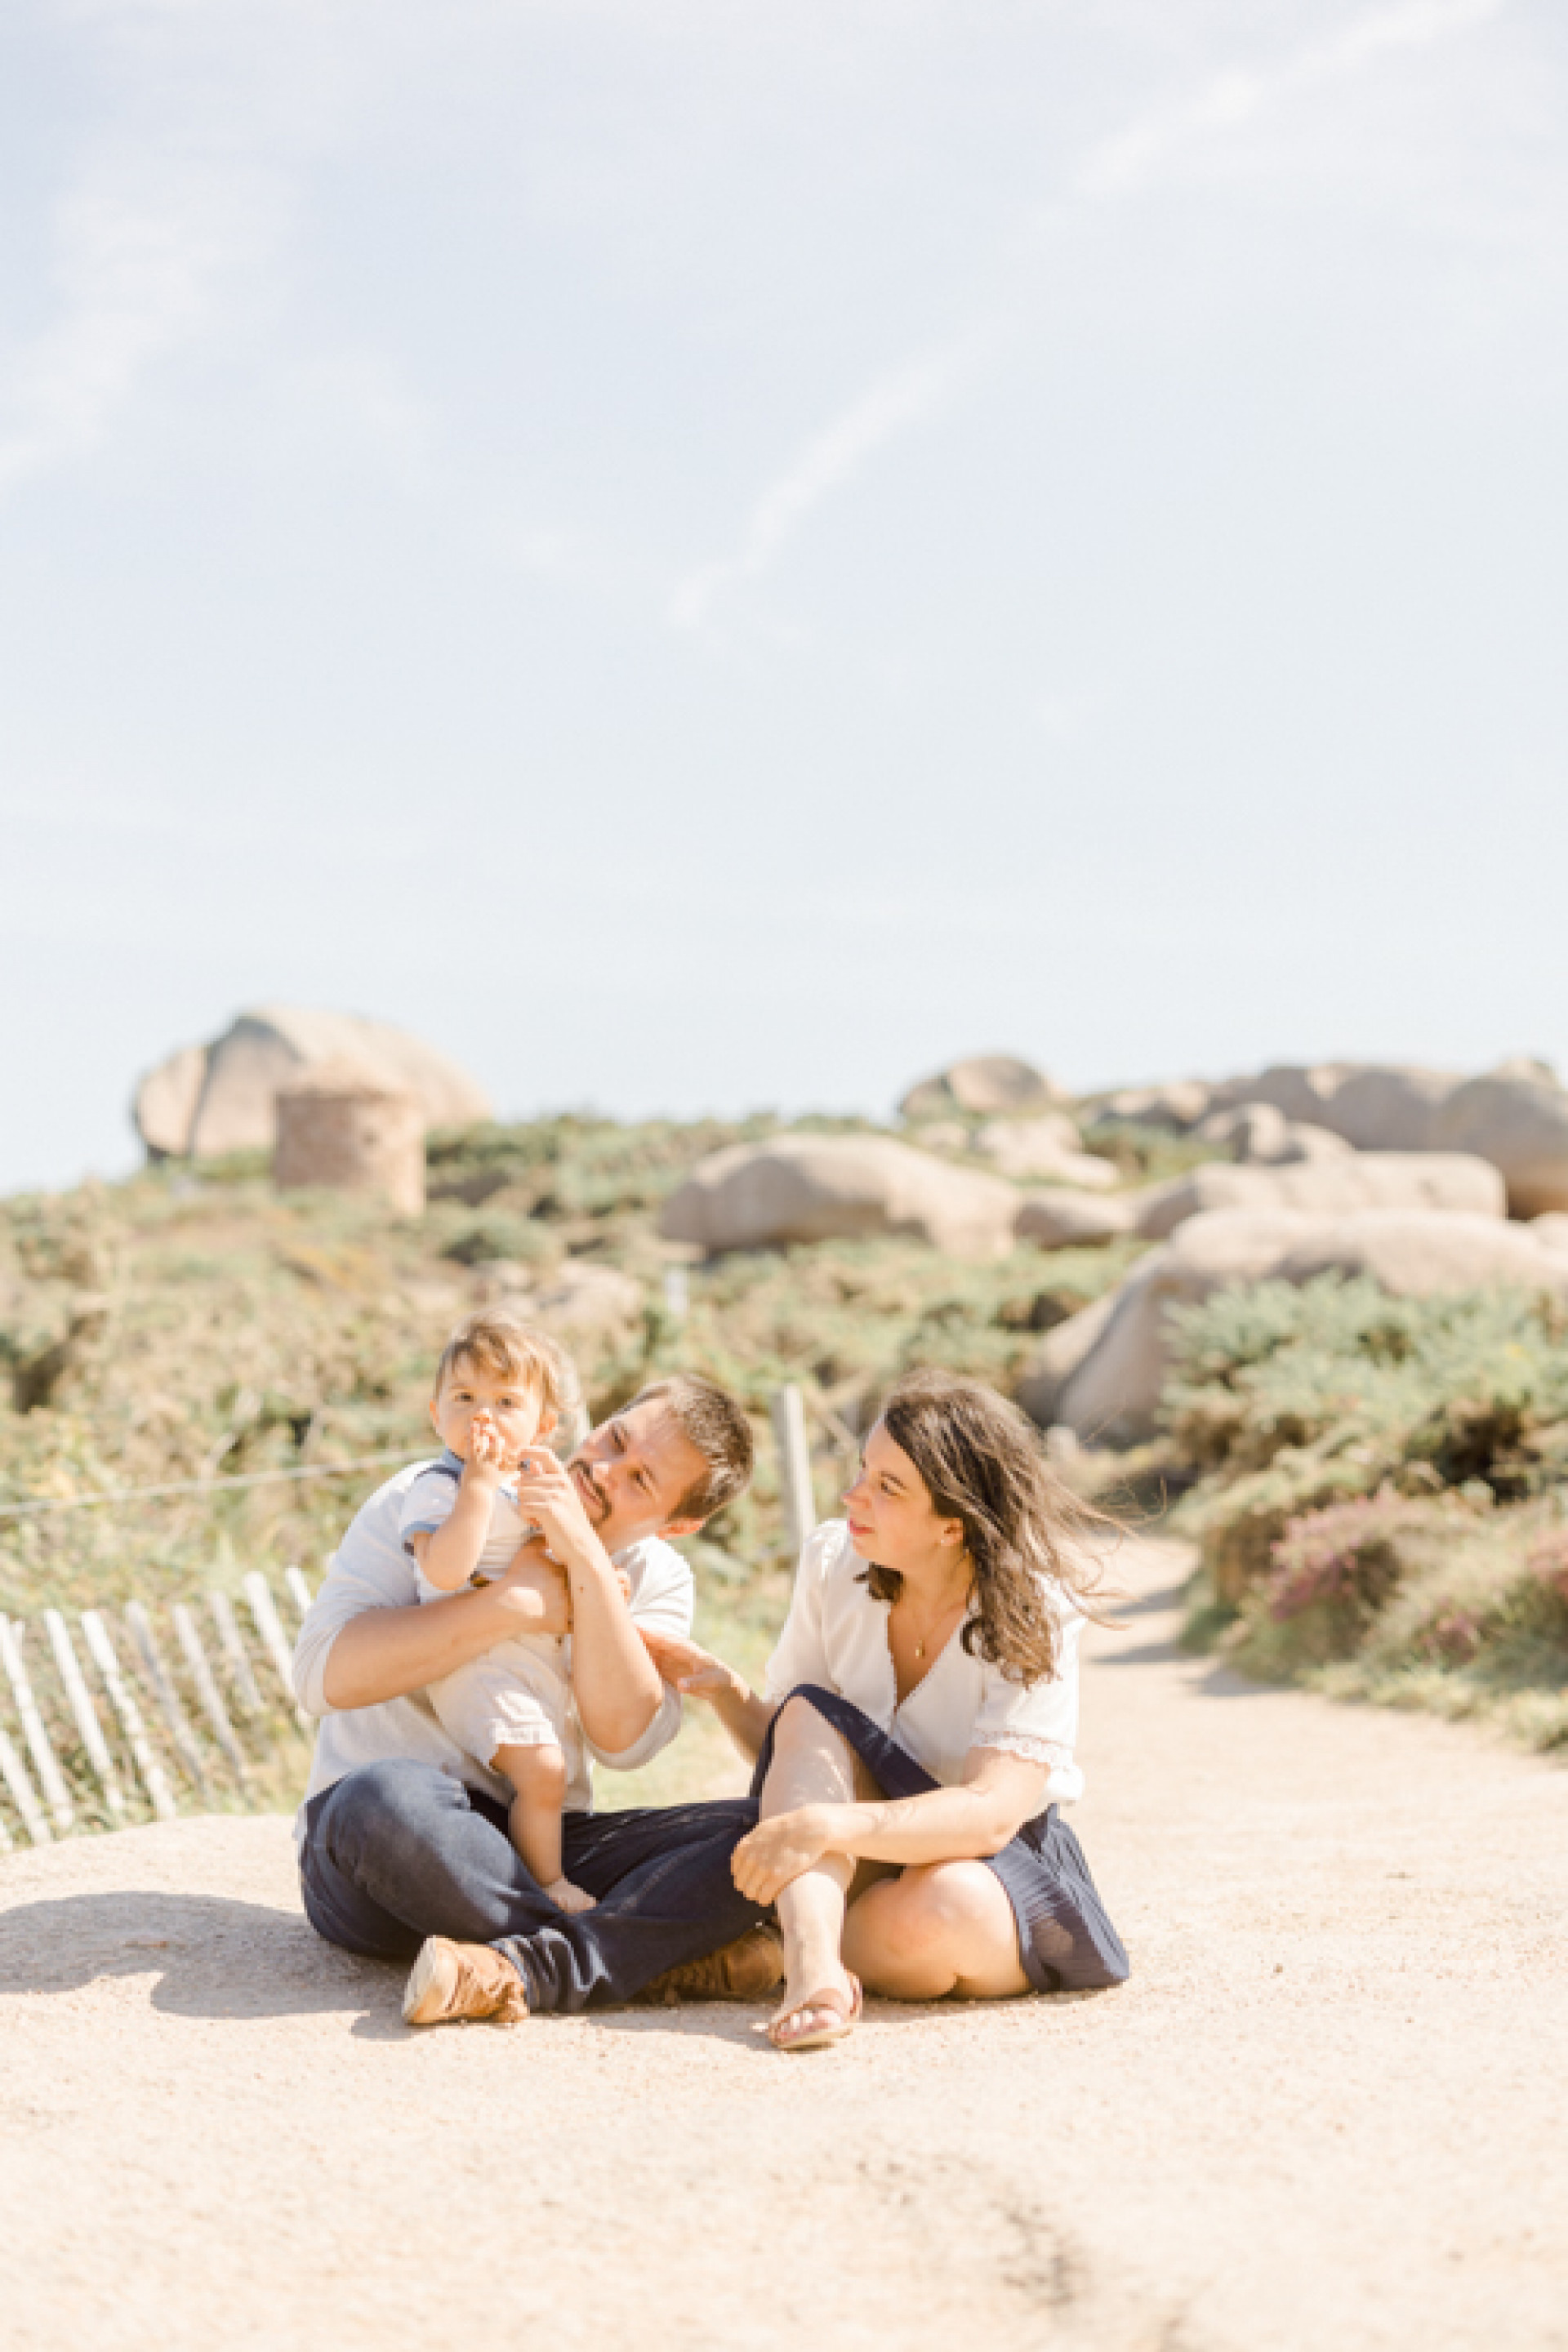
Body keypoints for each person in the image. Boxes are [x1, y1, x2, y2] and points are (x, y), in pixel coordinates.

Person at [642, 1368, 1130, 2051]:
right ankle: (812, 1971)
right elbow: (796, 1762)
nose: (853, 1496)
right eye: (863, 1470)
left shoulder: (1035, 1611)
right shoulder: (833, 1563)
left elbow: (991, 1813)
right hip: (854, 1860)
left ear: (953, 1524)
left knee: (944, 1904)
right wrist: (727, 1695)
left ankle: (775, 1948)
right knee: (809, 1711)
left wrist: (826, 1826)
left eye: (887, 1487)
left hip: (989, 1861)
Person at [292, 1369, 779, 2024]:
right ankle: (638, 1954)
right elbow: (322, 1677)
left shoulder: (656, 1574)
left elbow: (624, 1741)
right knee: (382, 1798)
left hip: (543, 1847)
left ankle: (530, 1965)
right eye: (614, 1440)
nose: (604, 1469)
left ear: (677, 1525)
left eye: (640, 1480)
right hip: (391, 1843)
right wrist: (514, 1604)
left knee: (769, 1832)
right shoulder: (437, 1496)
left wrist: (584, 1561)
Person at [400, 1311, 592, 1914]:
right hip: (471, 1661)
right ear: (437, 1415)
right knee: (543, 1768)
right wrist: (478, 1486)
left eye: (506, 1401)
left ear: (544, 1427)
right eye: (464, 1398)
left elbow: (558, 1556)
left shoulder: (532, 1484)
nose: (482, 1414)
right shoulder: (438, 1487)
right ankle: (546, 1888)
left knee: (551, 1774)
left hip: (529, 1661)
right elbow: (445, 1572)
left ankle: (514, 1872)